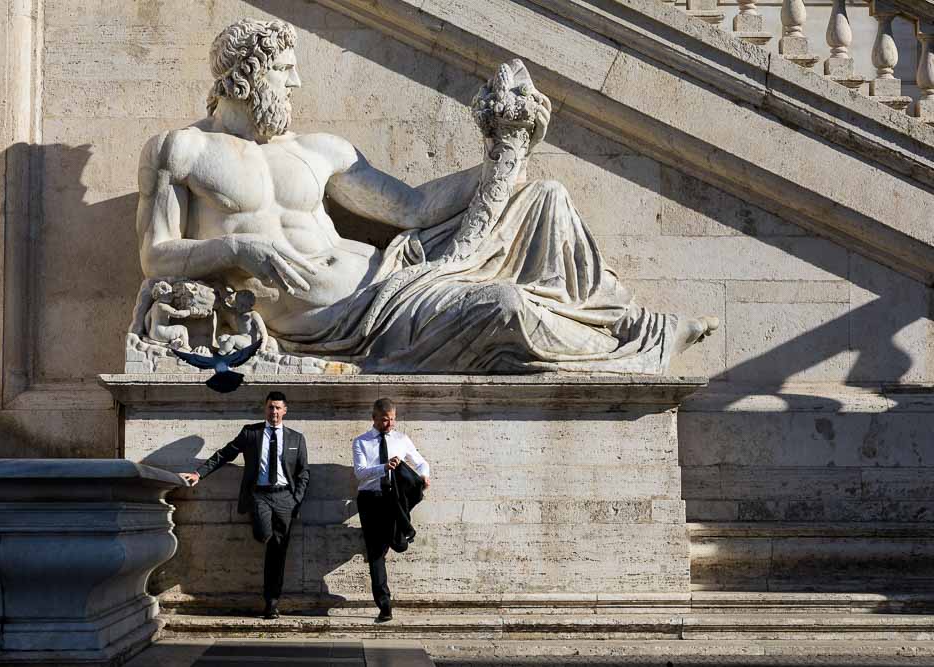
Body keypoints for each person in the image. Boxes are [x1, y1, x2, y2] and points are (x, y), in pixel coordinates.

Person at [134, 18, 716, 376]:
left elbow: (413, 208)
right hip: (335, 320)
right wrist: (238, 252)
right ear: (245, 76)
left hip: (394, 276)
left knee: (542, 196)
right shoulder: (180, 150)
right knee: (505, 308)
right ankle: (628, 346)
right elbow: (156, 255)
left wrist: (498, 160)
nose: (296, 83)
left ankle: (627, 327)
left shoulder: (320, 149)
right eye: (285, 69)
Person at [179, 391, 309, 619]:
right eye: (270, 407)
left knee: (278, 553)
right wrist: (200, 474)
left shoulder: (296, 438)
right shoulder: (251, 433)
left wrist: (296, 498)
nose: (274, 412)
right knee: (263, 534)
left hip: (285, 499)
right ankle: (263, 532)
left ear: (285, 410)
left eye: (278, 408)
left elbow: (303, 472)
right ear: (265, 409)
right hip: (259, 495)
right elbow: (225, 454)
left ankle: (271, 602)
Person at [352, 397, 430, 622]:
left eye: (393, 420)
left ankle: (400, 535)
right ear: (374, 418)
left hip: (394, 499)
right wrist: (383, 467)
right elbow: (360, 472)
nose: (390, 425)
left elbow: (421, 462)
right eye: (385, 420)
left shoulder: (401, 439)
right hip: (370, 499)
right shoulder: (361, 442)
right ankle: (384, 604)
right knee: (376, 553)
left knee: (397, 544)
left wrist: (425, 475)